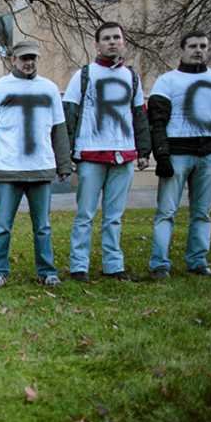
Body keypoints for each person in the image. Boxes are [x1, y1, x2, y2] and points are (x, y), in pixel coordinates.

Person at [0, 40, 71, 287]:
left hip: (40, 168)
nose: (29, 63)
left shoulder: (49, 89)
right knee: (3, 225)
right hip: (8, 169)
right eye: (24, 58)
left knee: (43, 226)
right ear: (13, 60)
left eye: (33, 58)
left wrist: (64, 164)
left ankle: (47, 271)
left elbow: (59, 129)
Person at [147, 30, 211, 278]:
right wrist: (162, 155)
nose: (198, 50)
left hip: (208, 154)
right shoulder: (167, 81)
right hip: (177, 154)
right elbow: (157, 121)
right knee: (166, 212)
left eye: (203, 46)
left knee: (202, 213)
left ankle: (198, 262)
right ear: (182, 49)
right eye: (192, 46)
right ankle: (160, 264)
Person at [63, 22, 151, 282]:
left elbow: (139, 116)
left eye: (117, 38)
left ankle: (113, 265)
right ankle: (79, 266)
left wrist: (144, 151)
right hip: (91, 154)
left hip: (123, 154)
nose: (112, 42)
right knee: (85, 215)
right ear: (97, 44)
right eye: (107, 38)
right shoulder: (83, 75)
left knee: (114, 217)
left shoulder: (132, 77)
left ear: (123, 42)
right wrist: (67, 153)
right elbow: (69, 114)